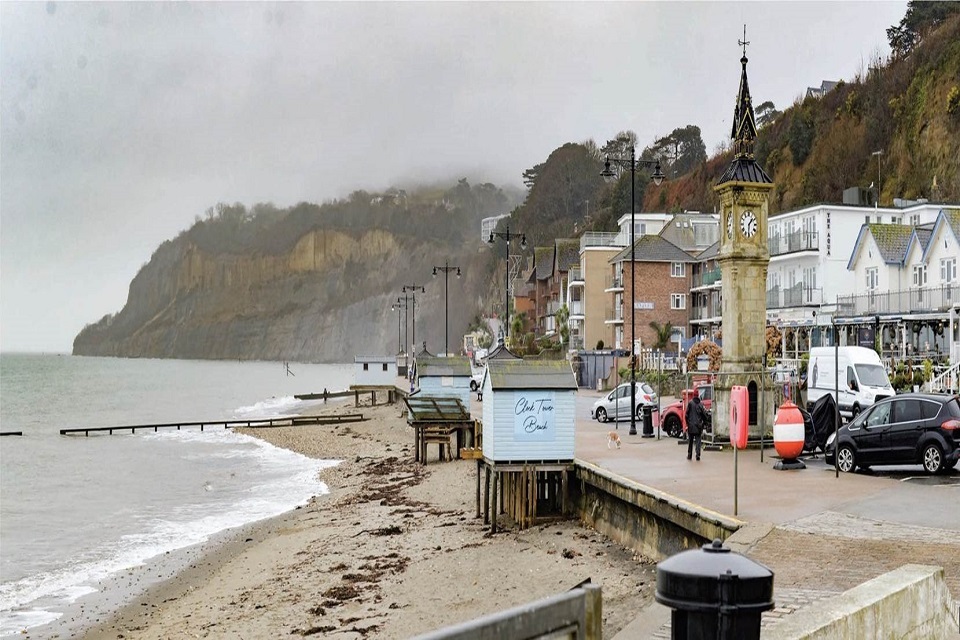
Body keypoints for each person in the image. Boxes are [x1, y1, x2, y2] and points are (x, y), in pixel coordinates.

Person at [685, 395, 707, 461]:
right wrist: (704, 423)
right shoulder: (700, 404)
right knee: (698, 441)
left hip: (691, 426)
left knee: (690, 441)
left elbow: (686, 415)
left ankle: (689, 455)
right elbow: (704, 415)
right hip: (698, 426)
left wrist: (688, 423)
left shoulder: (690, 403)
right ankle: (698, 455)